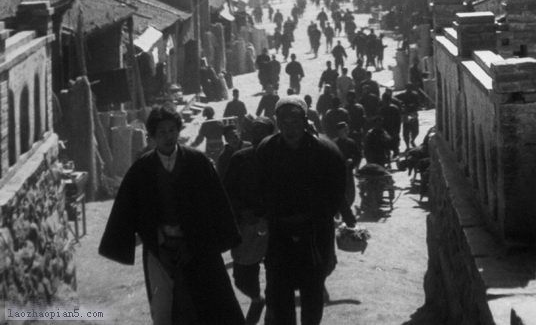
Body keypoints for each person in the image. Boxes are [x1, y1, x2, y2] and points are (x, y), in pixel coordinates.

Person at [98, 104, 244, 325]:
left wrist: (222, 237)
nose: (168, 137)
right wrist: (133, 236)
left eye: (172, 131)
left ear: (178, 131)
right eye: (162, 132)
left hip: (199, 246)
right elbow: (127, 206)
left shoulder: (198, 162)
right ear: (153, 136)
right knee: (164, 307)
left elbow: (218, 202)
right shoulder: (142, 169)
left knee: (209, 304)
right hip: (160, 250)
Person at [255, 96, 355, 325]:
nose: (290, 128)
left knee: (312, 290)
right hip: (280, 233)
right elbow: (259, 187)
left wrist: (326, 216)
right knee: (280, 291)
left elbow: (338, 188)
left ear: (305, 121)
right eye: (284, 122)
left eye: (295, 121)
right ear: (277, 123)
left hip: (314, 232)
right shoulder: (267, 150)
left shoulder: (325, 151)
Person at [223, 117, 275, 325]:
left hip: (276, 225)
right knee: (242, 277)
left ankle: (272, 312)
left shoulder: (281, 158)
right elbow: (227, 193)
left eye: (262, 131)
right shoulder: (240, 158)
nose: (257, 135)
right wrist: (242, 212)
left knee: (278, 275)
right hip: (248, 226)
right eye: (254, 131)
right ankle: (256, 299)